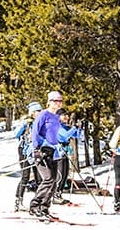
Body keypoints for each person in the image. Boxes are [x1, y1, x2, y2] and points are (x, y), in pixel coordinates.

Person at [29, 91, 65, 220]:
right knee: (48, 178)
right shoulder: (43, 114)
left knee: (54, 181)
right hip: (42, 150)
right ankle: (35, 206)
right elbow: (35, 131)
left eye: (60, 101)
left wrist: (59, 146)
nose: (58, 103)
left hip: (52, 151)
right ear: (49, 101)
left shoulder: (56, 117)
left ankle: (44, 207)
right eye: (55, 101)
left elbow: (55, 135)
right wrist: (36, 148)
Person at [14, 101, 43, 212]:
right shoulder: (26, 122)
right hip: (25, 151)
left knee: (39, 177)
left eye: (40, 111)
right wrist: (24, 125)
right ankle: (18, 200)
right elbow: (16, 134)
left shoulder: (40, 123)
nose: (39, 113)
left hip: (36, 151)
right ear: (32, 112)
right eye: (37, 111)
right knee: (25, 176)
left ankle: (38, 202)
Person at [54, 108, 85, 203]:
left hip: (65, 152)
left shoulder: (64, 126)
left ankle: (59, 193)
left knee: (65, 174)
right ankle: (55, 194)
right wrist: (74, 128)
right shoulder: (57, 126)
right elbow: (65, 136)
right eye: (64, 115)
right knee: (60, 174)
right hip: (58, 153)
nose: (66, 117)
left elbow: (77, 135)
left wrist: (80, 128)